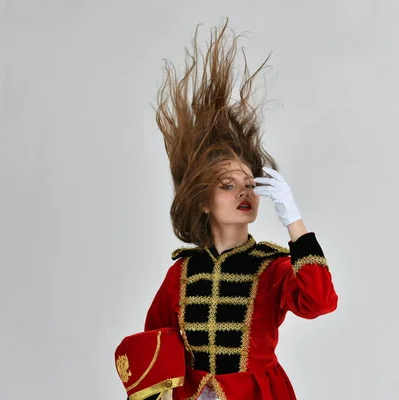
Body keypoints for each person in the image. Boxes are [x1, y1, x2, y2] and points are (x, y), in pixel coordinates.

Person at [141, 19, 338, 400]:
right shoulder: (182, 272)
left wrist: (293, 221)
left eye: (250, 184)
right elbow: (155, 345)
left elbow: (319, 303)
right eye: (228, 186)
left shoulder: (274, 267)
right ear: (202, 200)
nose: (243, 193)